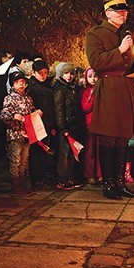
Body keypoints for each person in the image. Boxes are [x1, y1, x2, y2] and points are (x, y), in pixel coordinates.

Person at [85, 0, 134, 200]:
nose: (123, 14)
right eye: (119, 11)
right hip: (109, 88)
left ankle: (119, 183)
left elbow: (131, 63)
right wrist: (119, 50)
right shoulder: (96, 34)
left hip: (127, 88)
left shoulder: (126, 34)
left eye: (125, 11)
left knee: (123, 138)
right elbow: (96, 62)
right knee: (110, 137)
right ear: (108, 13)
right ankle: (109, 184)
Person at [0, 71, 39, 195]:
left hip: (27, 133)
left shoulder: (28, 98)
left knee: (24, 160)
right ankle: (15, 184)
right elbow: (4, 114)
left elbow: (31, 112)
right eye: (17, 83)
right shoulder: (9, 98)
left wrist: (36, 113)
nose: (21, 85)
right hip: (15, 133)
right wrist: (13, 115)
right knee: (15, 159)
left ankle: (23, 182)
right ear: (13, 85)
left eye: (23, 82)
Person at [53, 62, 86, 190]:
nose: (69, 76)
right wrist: (62, 128)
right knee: (64, 154)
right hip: (66, 127)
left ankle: (70, 178)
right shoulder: (60, 89)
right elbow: (59, 110)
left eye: (71, 73)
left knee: (71, 154)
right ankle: (63, 179)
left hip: (73, 125)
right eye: (66, 73)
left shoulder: (71, 88)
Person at [27, 59, 57, 189]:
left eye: (45, 72)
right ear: (33, 72)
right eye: (40, 73)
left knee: (44, 150)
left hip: (47, 122)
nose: (43, 75)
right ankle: (36, 178)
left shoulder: (47, 85)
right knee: (36, 152)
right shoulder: (31, 87)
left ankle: (42, 176)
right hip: (37, 123)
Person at [81, 67, 102, 185]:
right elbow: (85, 107)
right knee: (90, 151)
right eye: (90, 76)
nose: (93, 79)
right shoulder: (86, 92)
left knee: (100, 151)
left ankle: (100, 174)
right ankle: (90, 174)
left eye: (95, 76)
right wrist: (93, 99)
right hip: (90, 125)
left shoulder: (103, 90)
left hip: (101, 124)